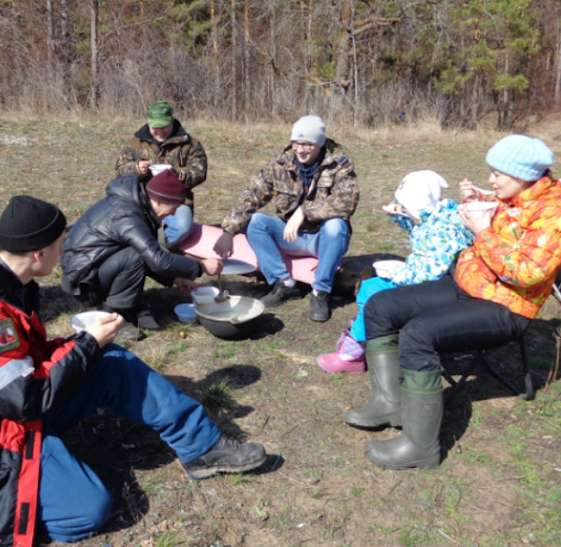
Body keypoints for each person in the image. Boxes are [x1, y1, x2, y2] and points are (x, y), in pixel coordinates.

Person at [0, 195, 265, 547]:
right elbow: (25, 400)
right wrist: (85, 345)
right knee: (87, 510)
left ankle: (202, 448)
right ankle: (36, 480)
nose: (66, 249)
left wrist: (88, 344)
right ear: (39, 254)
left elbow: (21, 369)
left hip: (6, 408)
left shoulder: (5, 284)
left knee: (111, 360)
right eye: (61, 243)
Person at [346, 135, 561, 470]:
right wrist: (480, 199)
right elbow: (507, 217)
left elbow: (528, 273)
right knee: (381, 305)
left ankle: (420, 446)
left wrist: (484, 234)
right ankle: (390, 403)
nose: (491, 179)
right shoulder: (517, 196)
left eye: (498, 174)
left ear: (524, 175)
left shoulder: (557, 213)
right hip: (469, 284)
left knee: (419, 333)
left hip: (507, 306)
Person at [318, 171, 474, 374]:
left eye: (405, 207)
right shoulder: (435, 216)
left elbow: (430, 273)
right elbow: (417, 227)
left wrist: (397, 274)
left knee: (375, 293)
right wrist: (396, 212)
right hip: (431, 281)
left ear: (416, 204)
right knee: (369, 287)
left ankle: (353, 352)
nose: (405, 211)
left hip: (442, 289)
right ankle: (369, 338)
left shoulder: (442, 231)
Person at [213, 115, 359, 323]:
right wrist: (228, 230)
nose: (300, 150)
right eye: (296, 143)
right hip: (291, 237)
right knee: (254, 222)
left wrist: (304, 212)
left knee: (337, 226)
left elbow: (347, 202)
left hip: (323, 238)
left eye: (307, 144)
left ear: (319, 143)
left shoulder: (338, 165)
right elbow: (252, 194)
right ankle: (284, 283)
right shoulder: (281, 165)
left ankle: (320, 292)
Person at [61, 170, 222, 339]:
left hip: (93, 269)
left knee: (138, 253)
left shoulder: (136, 207)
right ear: (159, 201)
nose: (174, 214)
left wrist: (175, 278)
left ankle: (122, 308)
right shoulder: (126, 214)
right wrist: (201, 266)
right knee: (134, 257)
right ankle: (114, 318)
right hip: (84, 282)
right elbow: (155, 259)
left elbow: (150, 253)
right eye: (174, 208)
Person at [114, 100, 207, 249]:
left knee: (183, 227)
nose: (159, 132)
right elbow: (120, 170)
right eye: (155, 128)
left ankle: (160, 245)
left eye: (164, 127)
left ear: (172, 121)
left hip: (177, 202)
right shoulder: (135, 143)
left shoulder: (190, 144)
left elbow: (200, 173)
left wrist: (174, 174)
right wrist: (137, 168)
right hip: (142, 199)